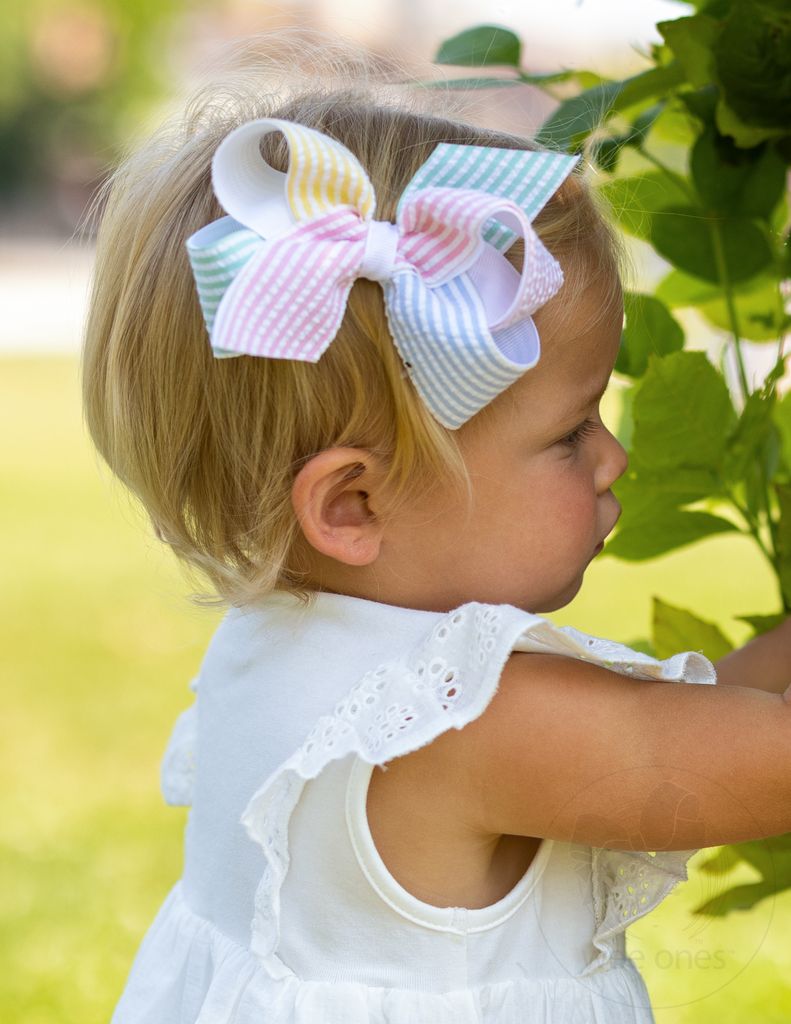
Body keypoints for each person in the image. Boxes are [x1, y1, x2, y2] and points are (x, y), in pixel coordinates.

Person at [81, 45, 791, 1024]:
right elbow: (760, 764)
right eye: (567, 432)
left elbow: (687, 719)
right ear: (351, 507)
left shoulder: (293, 651)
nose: (612, 459)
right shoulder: (468, 722)